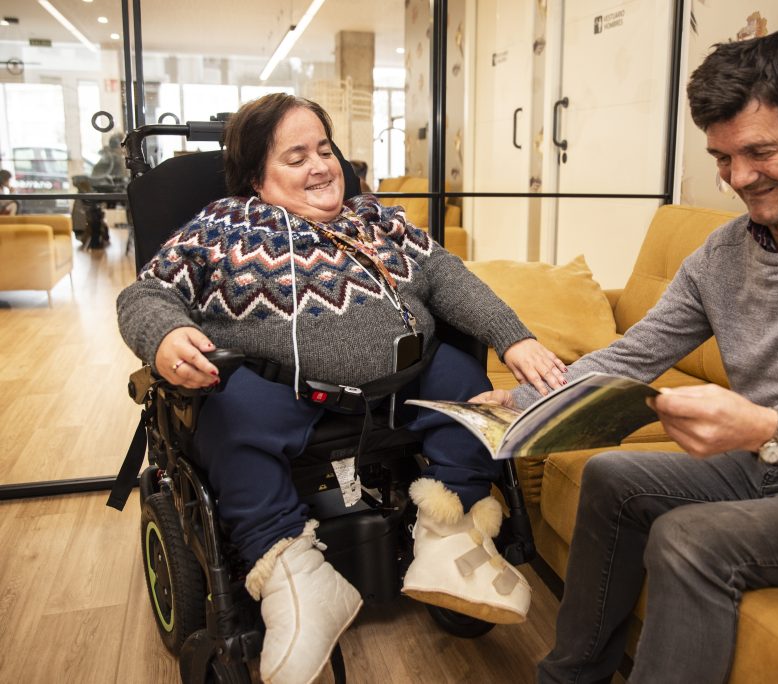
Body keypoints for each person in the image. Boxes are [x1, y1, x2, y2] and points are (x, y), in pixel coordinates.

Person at [477, 30, 778, 682]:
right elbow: (633, 355)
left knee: (689, 539)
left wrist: (766, 428)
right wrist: (519, 401)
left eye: (760, 152)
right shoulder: (722, 254)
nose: (738, 179)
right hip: (774, 467)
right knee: (611, 478)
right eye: (722, 158)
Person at [116, 93, 567, 684]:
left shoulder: (374, 217)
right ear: (256, 177)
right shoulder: (222, 228)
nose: (320, 167)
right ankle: (294, 578)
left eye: (324, 150)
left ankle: (448, 535)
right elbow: (146, 294)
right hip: (282, 390)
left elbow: (446, 276)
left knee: (464, 381)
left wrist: (513, 337)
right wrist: (166, 334)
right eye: (296, 157)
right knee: (228, 411)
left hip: (402, 383)